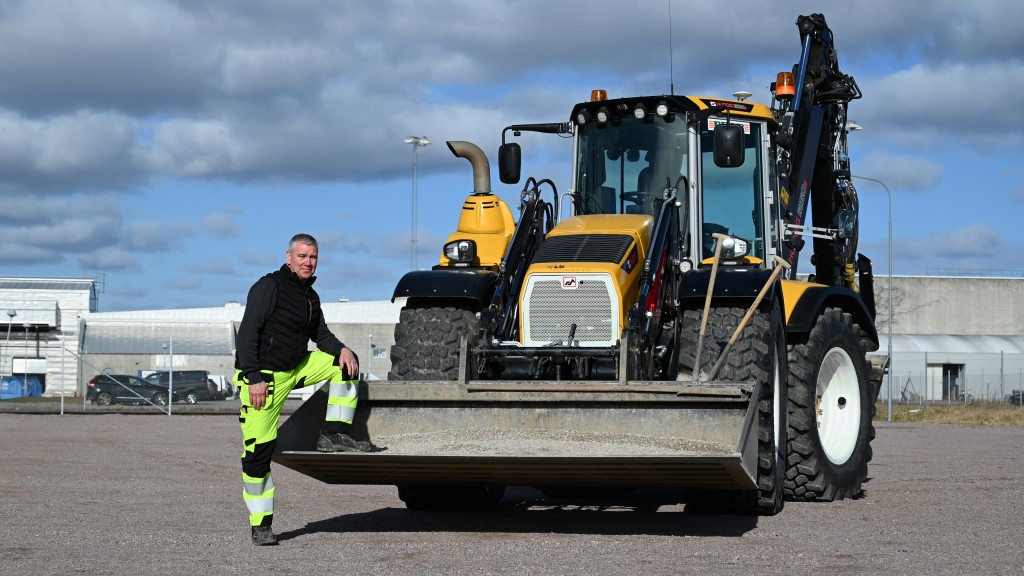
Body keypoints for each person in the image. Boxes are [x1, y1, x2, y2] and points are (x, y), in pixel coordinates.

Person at [234, 233, 374, 546]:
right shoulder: (269, 287)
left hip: (296, 367)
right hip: (265, 377)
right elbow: (247, 334)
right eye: (302, 257)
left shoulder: (310, 296)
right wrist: (253, 376)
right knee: (257, 454)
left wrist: (341, 348)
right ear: (289, 257)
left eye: (312, 258)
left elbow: (320, 334)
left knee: (344, 365)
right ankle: (261, 525)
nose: (308, 262)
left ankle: (334, 435)